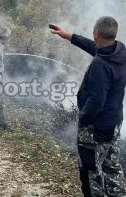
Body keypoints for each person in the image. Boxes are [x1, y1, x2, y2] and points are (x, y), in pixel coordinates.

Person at [51, 16, 126, 197]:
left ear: (96, 33)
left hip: (96, 128)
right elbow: (95, 48)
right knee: (112, 167)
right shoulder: (119, 52)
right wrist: (69, 36)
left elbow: (96, 101)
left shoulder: (100, 65)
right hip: (113, 124)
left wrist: (83, 118)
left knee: (90, 171)